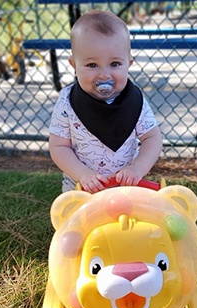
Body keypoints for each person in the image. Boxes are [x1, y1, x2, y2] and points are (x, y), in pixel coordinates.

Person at [49, 10, 162, 193]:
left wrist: (137, 169)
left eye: (115, 64)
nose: (104, 75)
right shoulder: (67, 102)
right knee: (76, 219)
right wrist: (82, 174)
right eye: (92, 65)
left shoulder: (135, 101)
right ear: (74, 66)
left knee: (132, 220)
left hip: (126, 185)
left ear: (128, 65)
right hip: (81, 186)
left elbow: (152, 138)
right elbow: (59, 146)